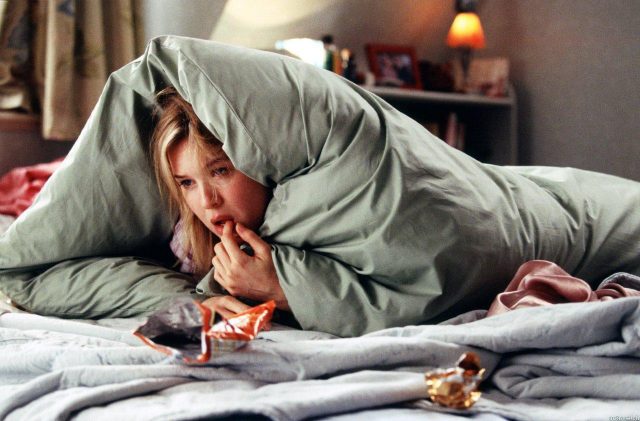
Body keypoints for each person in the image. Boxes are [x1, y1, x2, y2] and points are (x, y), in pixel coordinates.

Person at [151, 87, 289, 320]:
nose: (207, 201)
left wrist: (277, 290)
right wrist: (203, 301)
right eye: (187, 182)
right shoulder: (188, 243)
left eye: (220, 171)